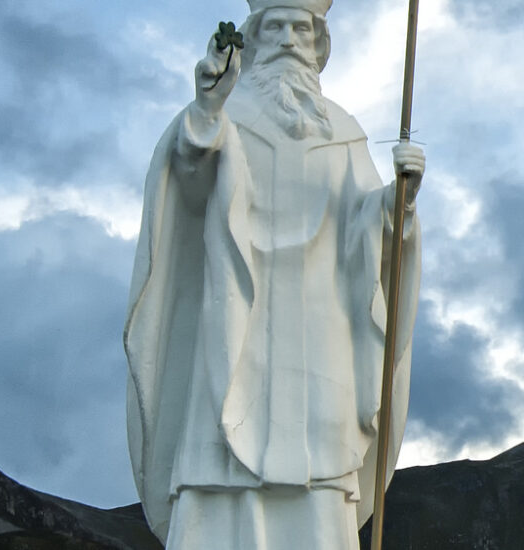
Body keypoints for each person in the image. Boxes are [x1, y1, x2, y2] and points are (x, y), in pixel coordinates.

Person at [122, 0, 424, 547]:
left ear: (317, 43)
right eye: (276, 27)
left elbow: (368, 236)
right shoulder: (226, 117)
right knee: (220, 476)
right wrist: (207, 109)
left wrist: (398, 202)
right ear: (256, 38)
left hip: (319, 344)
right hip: (237, 334)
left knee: (319, 491)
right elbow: (188, 180)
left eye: (300, 28)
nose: (288, 39)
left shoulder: (344, 132)